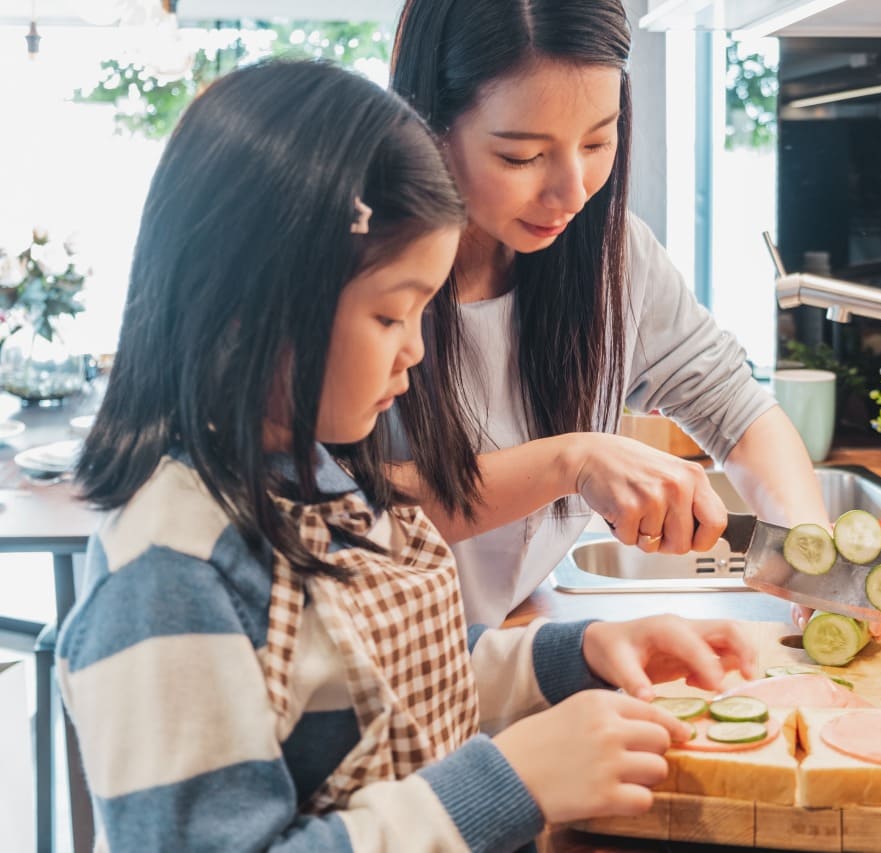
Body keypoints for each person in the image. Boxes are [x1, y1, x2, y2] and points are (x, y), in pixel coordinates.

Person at [60, 59, 757, 851]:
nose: (416, 352)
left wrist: (576, 654)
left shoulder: (312, 476)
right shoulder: (167, 576)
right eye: (392, 316)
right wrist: (511, 780)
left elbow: (389, 670)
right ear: (262, 309)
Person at [389, 0, 830, 626]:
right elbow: (330, 508)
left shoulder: (611, 254)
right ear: (429, 122)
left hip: (501, 650)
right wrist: (570, 463)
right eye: (522, 156)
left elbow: (737, 410)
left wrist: (812, 560)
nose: (572, 192)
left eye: (599, 139)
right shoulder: (355, 268)